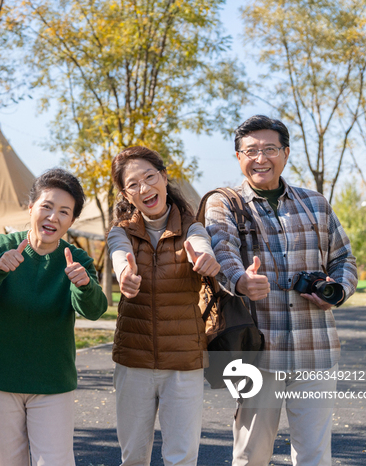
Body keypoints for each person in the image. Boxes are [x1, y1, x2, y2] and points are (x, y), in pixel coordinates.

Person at [204, 115, 358, 466]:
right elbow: (222, 250)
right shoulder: (225, 203)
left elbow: (344, 258)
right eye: (251, 150)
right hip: (257, 354)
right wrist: (241, 281)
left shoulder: (315, 203)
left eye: (270, 149)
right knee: (251, 455)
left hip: (315, 350)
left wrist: (338, 287)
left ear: (285, 154)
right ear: (238, 157)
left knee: (315, 456)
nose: (261, 158)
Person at [0, 168, 108, 466]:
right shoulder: (1, 247)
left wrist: (84, 284)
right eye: (47, 206)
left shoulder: (77, 259)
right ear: (31, 209)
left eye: (64, 212)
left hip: (52, 381)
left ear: (72, 221)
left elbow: (94, 309)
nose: (53, 217)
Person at [107, 146, 221, 466]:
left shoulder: (192, 228)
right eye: (133, 184)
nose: (144, 188)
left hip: (184, 361)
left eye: (149, 177)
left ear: (164, 177)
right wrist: (125, 275)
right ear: (126, 195)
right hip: (133, 359)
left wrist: (206, 258)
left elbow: (200, 244)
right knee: (132, 457)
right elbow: (119, 254)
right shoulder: (121, 232)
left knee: (181, 457)